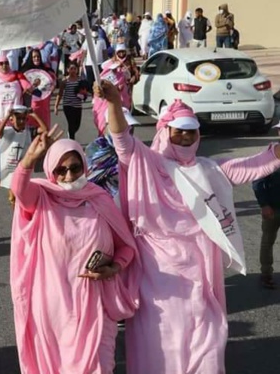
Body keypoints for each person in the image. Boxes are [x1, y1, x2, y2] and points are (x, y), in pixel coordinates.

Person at [100, 80, 280, 374]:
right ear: (165, 132)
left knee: (209, 340)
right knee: (161, 342)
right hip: (157, 272)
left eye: (190, 131)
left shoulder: (208, 169)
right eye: (178, 131)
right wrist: (112, 104)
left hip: (201, 267)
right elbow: (121, 139)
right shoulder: (148, 162)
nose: (184, 137)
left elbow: (252, 165)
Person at [10, 128, 140, 374]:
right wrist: (29, 158)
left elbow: (126, 247)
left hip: (95, 304)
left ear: (84, 166)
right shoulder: (41, 197)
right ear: (52, 172)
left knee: (100, 367)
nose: (69, 175)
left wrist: (114, 267)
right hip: (52, 310)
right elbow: (19, 189)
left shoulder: (100, 199)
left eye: (75, 167)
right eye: (61, 170)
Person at [86, 107, 141, 204]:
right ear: (108, 126)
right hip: (103, 203)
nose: (128, 131)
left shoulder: (137, 149)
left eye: (131, 127)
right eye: (122, 127)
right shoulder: (96, 148)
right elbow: (89, 178)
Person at [0, 105, 45, 207]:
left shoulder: (30, 131)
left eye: (24, 119)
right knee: (13, 197)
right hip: (10, 168)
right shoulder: (8, 131)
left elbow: (45, 130)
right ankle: (16, 213)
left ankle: (19, 213)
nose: (21, 121)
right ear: (12, 120)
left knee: (21, 195)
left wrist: (34, 115)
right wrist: (7, 116)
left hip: (23, 168)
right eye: (18, 118)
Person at [252, 122, 280, 289]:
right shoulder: (268, 155)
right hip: (273, 208)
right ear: (278, 132)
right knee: (268, 241)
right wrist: (264, 205)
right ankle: (266, 273)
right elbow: (257, 181)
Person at [0, 55, 35, 134]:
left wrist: (31, 86)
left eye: (6, 63)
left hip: (17, 122)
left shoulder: (17, 76)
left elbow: (28, 88)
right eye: (1, 63)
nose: (4, 66)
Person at [20, 48, 56, 135]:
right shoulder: (24, 73)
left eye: (38, 56)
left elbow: (52, 84)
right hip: (31, 107)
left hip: (44, 107)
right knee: (31, 133)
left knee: (44, 132)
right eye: (34, 57)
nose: (36, 58)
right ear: (30, 58)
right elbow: (22, 90)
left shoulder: (47, 71)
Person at [54, 62, 89, 140]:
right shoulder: (65, 81)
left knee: (77, 125)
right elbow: (60, 94)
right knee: (71, 124)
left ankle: (70, 133)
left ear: (77, 70)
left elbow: (85, 91)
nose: (73, 70)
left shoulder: (80, 80)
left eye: (74, 69)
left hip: (78, 105)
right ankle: (72, 141)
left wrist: (83, 95)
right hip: (68, 105)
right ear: (67, 70)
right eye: (71, 69)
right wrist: (56, 106)